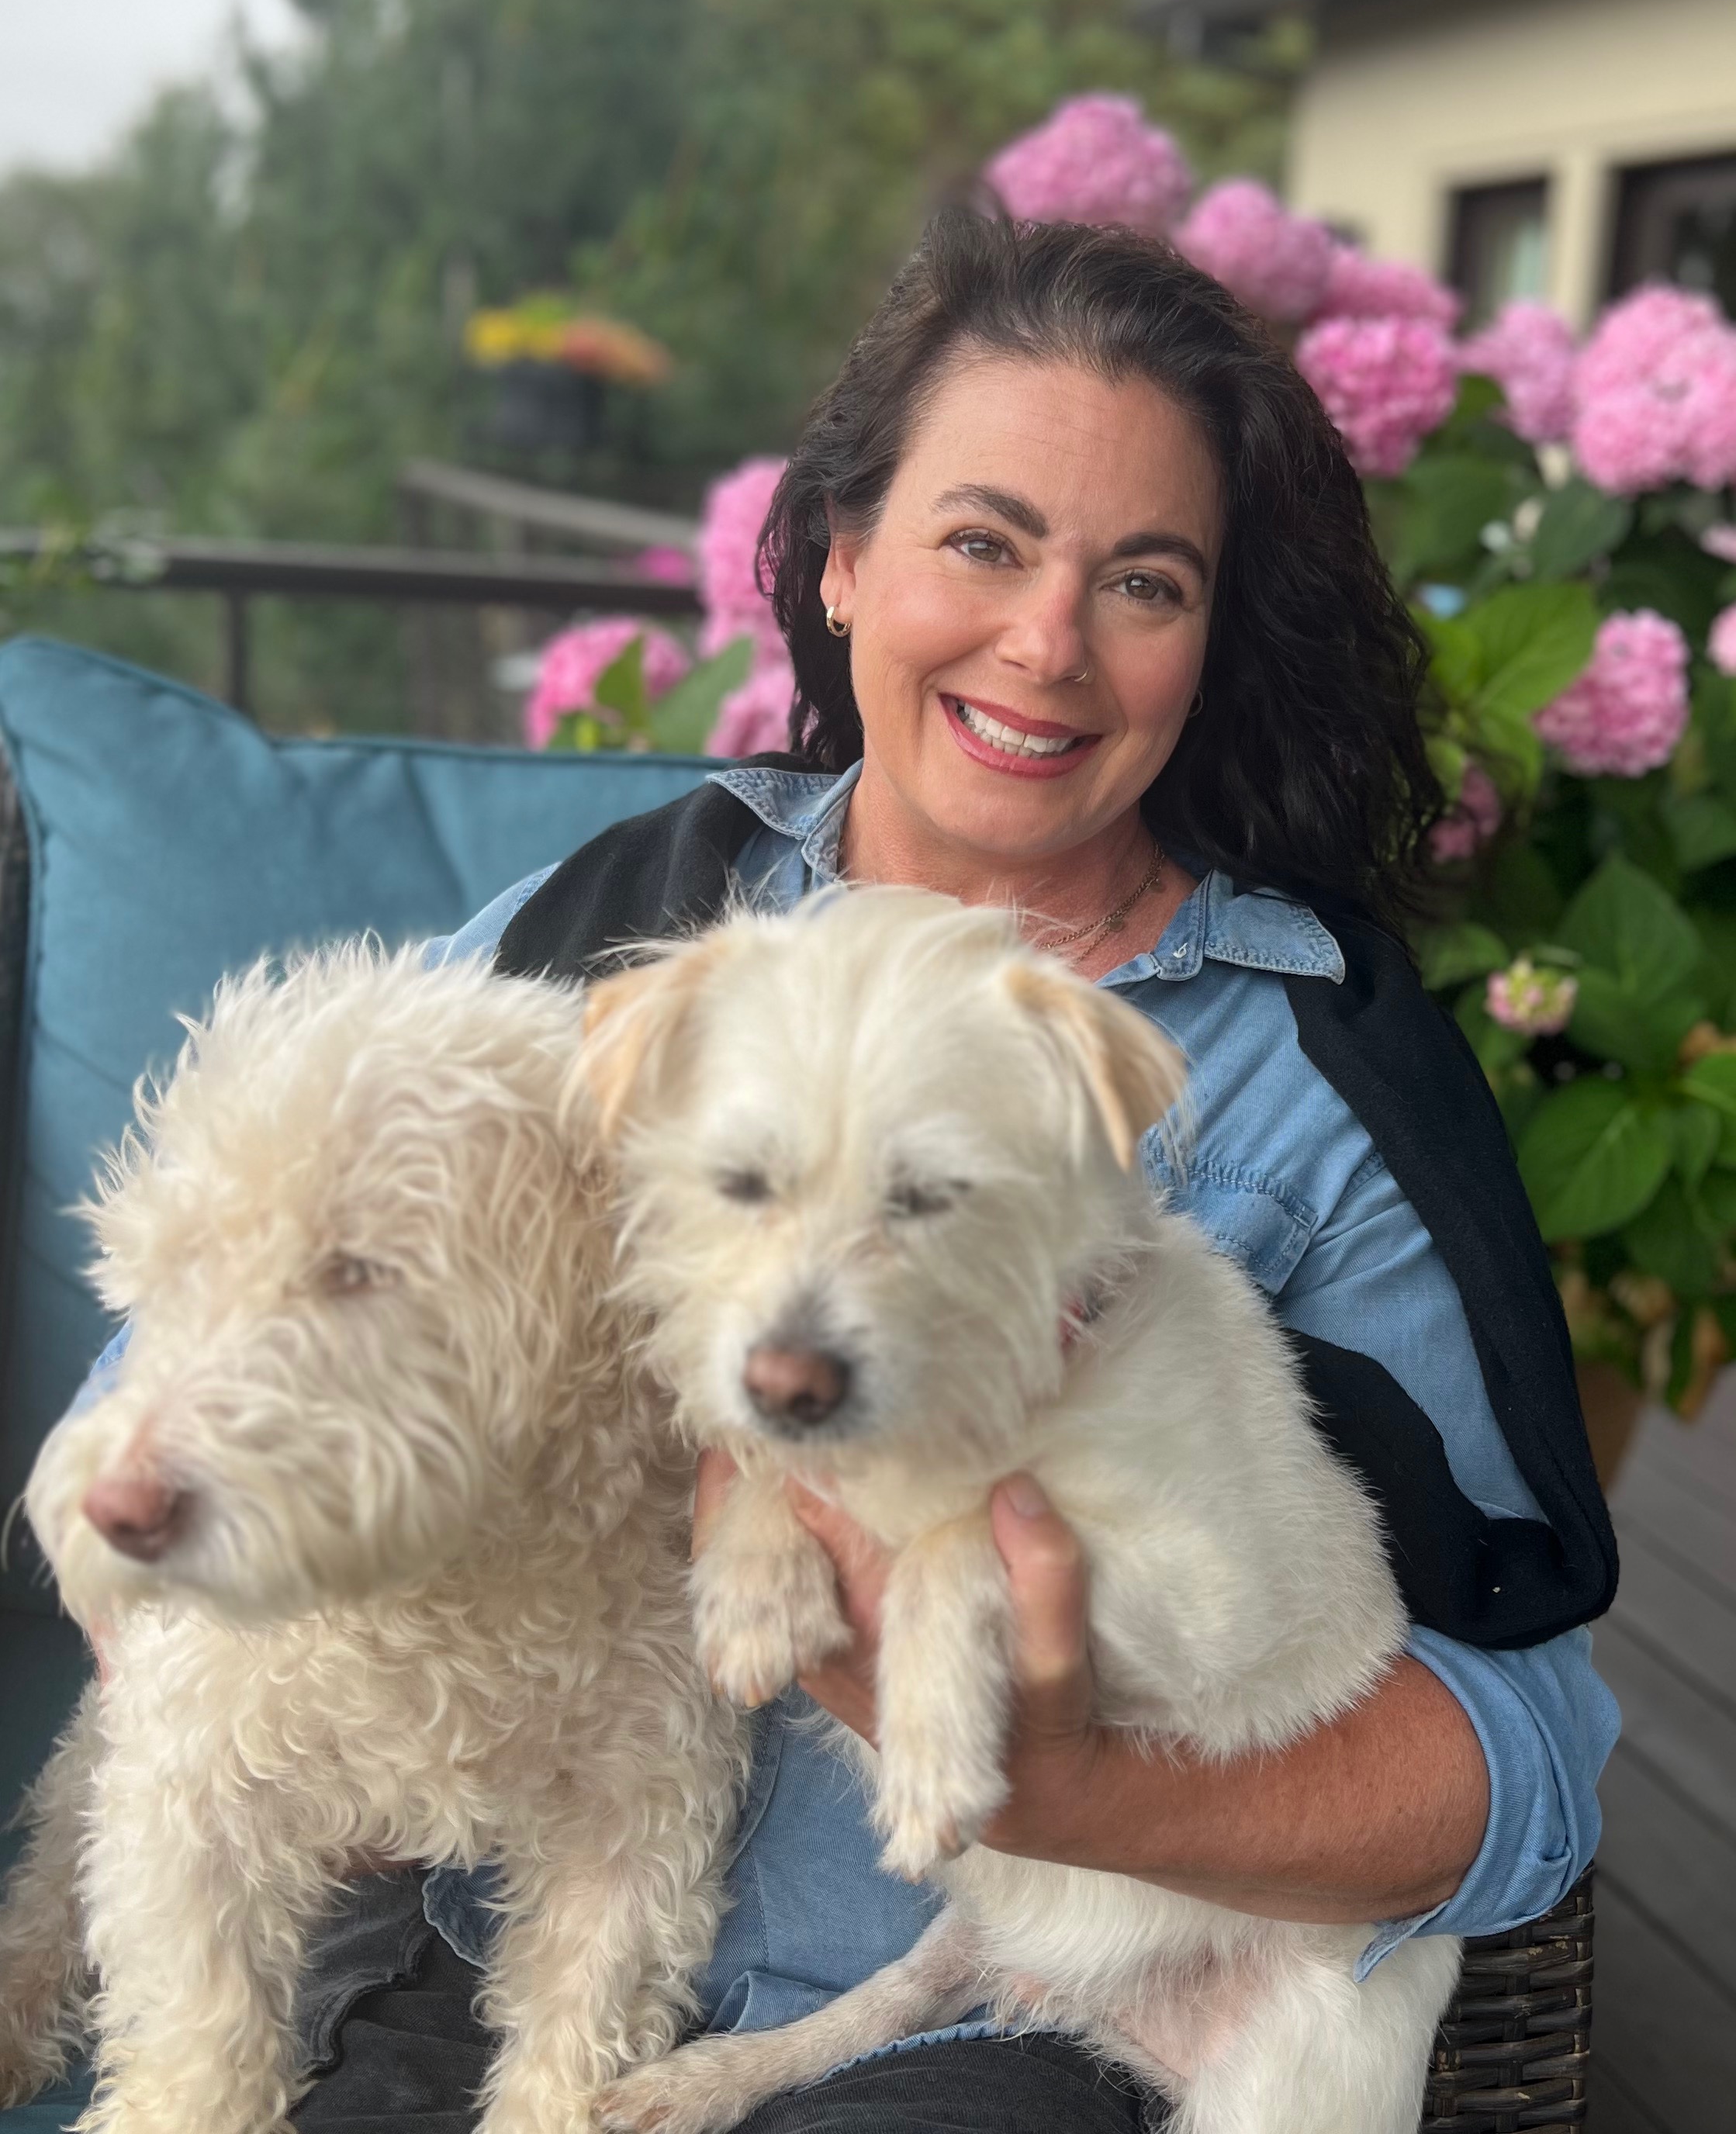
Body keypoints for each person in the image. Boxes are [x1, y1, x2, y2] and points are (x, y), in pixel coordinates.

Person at [64, 213, 1618, 2134]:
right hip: (480, 1951)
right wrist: (328, 1694)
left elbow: (1529, 1765)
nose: (1047, 643)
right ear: (841, 557)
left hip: (968, 2034)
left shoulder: (1314, 1086)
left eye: (1144, 580)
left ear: (1211, 641)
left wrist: (1084, 1793)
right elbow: (167, 1390)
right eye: (983, 542)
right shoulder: (618, 933)